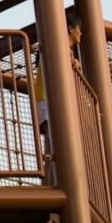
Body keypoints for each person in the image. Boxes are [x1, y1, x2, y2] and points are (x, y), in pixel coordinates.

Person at [32, 10, 82, 185]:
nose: (80, 33)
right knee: (58, 146)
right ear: (70, 29)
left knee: (53, 147)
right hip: (48, 102)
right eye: (78, 29)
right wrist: (73, 63)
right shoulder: (57, 46)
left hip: (46, 102)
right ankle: (57, 184)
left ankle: (49, 184)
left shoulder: (61, 49)